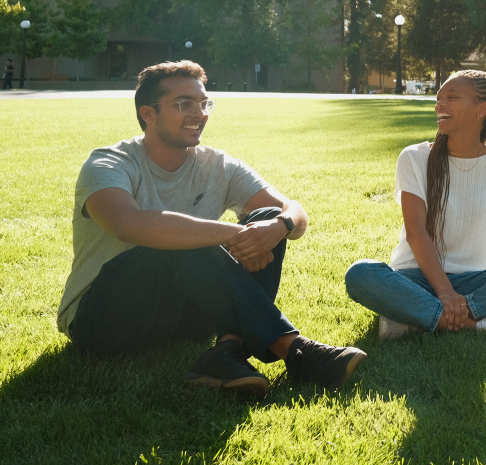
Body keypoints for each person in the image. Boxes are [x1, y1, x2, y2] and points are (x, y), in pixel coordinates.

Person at [58, 61, 367, 397]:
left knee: (264, 216)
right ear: (148, 113)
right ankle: (296, 350)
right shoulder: (109, 163)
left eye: (204, 103)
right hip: (104, 322)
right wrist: (230, 234)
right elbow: (125, 224)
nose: (199, 113)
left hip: (187, 322)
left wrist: (281, 225)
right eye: (184, 104)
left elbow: (292, 210)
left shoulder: (217, 164)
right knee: (188, 241)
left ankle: (226, 351)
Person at [345, 70, 486, 339]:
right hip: (416, 278)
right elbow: (416, 232)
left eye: (452, 97)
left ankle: (414, 320)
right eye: (438, 98)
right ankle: (485, 324)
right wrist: (445, 292)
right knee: (360, 274)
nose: (439, 104)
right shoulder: (414, 157)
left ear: (482, 109)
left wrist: (457, 295)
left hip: (476, 283)